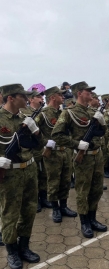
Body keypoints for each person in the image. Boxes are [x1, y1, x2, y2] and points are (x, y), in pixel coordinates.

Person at [52, 81, 107, 238]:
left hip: (98, 155)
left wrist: (102, 124)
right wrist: (77, 144)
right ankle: (84, 222)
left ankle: (92, 218)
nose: (90, 93)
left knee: (96, 190)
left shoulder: (92, 112)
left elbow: (101, 133)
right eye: (87, 91)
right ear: (79, 93)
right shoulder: (69, 113)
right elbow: (57, 135)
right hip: (84, 158)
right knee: (83, 191)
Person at [0, 83, 44, 268]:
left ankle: (24, 246)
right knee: (10, 213)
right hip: (9, 174)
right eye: (23, 96)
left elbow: (39, 144)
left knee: (29, 210)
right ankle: (11, 251)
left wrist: (35, 130)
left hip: (29, 169)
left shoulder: (27, 118)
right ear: (11, 98)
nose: (27, 100)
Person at [36, 86, 78, 223]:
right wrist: (45, 142)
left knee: (66, 180)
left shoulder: (63, 113)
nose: (63, 97)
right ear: (53, 97)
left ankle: (64, 206)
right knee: (54, 181)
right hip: (52, 153)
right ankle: (55, 209)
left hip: (65, 151)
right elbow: (32, 132)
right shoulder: (42, 114)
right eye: (60, 95)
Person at [20, 90, 52, 212]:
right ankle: (36, 200)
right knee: (35, 176)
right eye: (38, 97)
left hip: (41, 146)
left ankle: (44, 197)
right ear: (31, 99)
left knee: (44, 174)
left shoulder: (42, 112)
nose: (41, 99)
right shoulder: (24, 112)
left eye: (42, 97)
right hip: (30, 149)